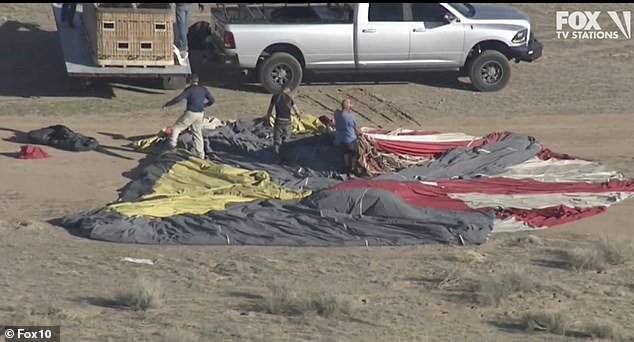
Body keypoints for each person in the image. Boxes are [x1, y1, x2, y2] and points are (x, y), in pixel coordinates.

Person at [162, 74, 214, 159]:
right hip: (200, 113)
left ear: (190, 81)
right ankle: (201, 154)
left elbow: (179, 98)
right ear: (197, 81)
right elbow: (212, 100)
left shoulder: (189, 90)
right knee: (197, 133)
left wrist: (168, 104)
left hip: (191, 113)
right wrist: (206, 105)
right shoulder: (203, 89)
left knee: (176, 128)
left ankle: (171, 146)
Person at [265, 87, 302, 156]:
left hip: (278, 121)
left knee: (277, 140)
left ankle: (276, 155)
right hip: (287, 122)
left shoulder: (275, 97)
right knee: (286, 140)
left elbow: (270, 110)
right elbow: (297, 111)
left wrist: (268, 118)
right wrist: (299, 117)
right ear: (287, 90)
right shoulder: (289, 99)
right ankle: (285, 155)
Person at [333, 98, 359, 176]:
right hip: (351, 140)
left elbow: (336, 114)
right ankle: (352, 170)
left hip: (342, 140)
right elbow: (356, 127)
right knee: (354, 154)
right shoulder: (350, 117)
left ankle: (346, 169)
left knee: (345, 154)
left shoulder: (337, 114)